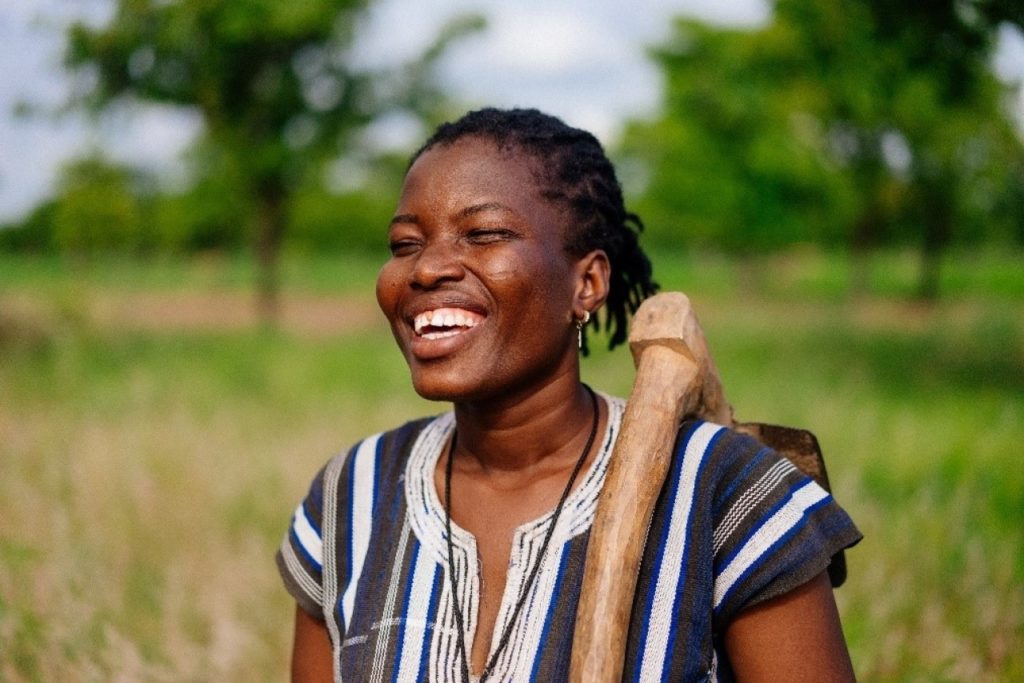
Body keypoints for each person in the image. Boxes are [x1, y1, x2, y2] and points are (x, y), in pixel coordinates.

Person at [277, 108, 862, 682]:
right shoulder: (351, 496)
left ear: (587, 283)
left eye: (483, 234)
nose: (426, 269)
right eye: (405, 244)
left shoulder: (725, 492)